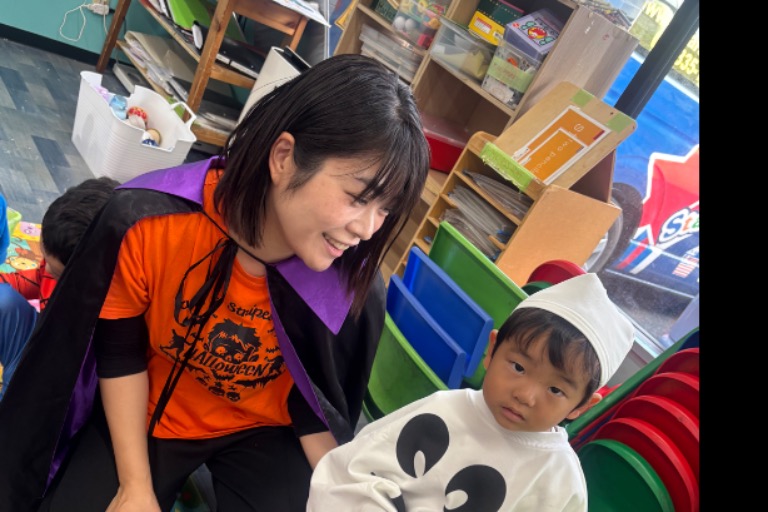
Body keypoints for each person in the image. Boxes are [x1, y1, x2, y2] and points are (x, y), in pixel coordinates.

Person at [0, 54, 430, 512]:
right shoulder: (150, 223)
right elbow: (119, 353)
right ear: (284, 157)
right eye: (358, 197)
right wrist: (135, 486)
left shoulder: (346, 282)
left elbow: (317, 400)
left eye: (385, 209)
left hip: (263, 431)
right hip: (150, 408)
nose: (367, 229)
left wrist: (341, 490)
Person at [307, 272, 635, 512]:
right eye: (518, 367)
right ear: (492, 350)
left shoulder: (559, 480)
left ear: (582, 406)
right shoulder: (445, 409)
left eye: (555, 389)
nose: (525, 395)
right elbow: (358, 472)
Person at [0, 177, 119, 399]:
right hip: (43, 345)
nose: (46, 270)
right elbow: (35, 278)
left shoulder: (115, 307)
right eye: (44, 259)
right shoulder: (62, 252)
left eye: (56, 274)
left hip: (78, 381)